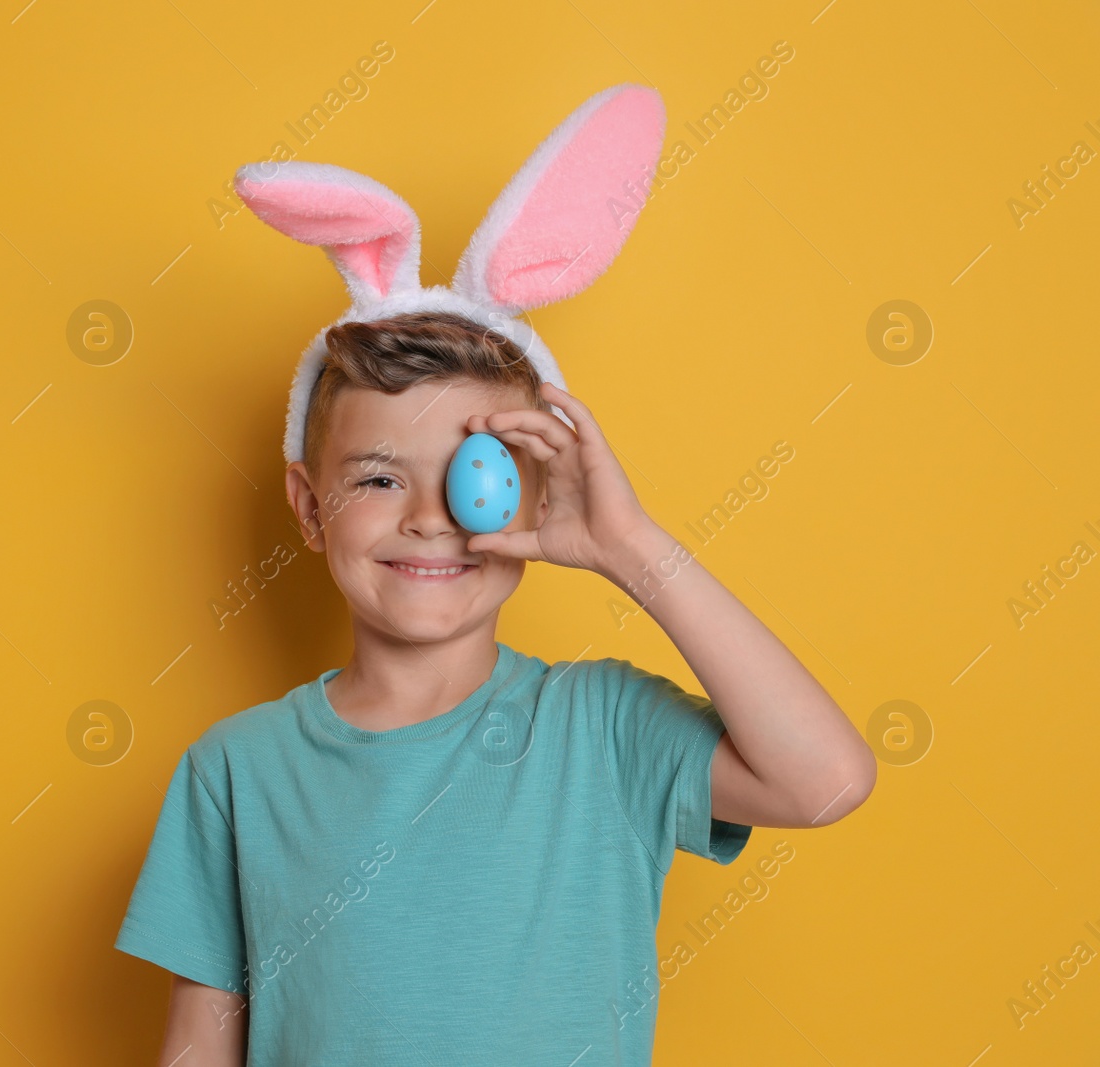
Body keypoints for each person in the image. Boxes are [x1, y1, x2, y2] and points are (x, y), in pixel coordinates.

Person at [114, 85, 877, 1066]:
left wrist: (630, 545)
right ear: (308, 508)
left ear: (533, 500)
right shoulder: (236, 769)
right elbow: (197, 1047)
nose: (430, 515)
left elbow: (825, 780)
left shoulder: (601, 727)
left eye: (476, 477)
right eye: (379, 476)